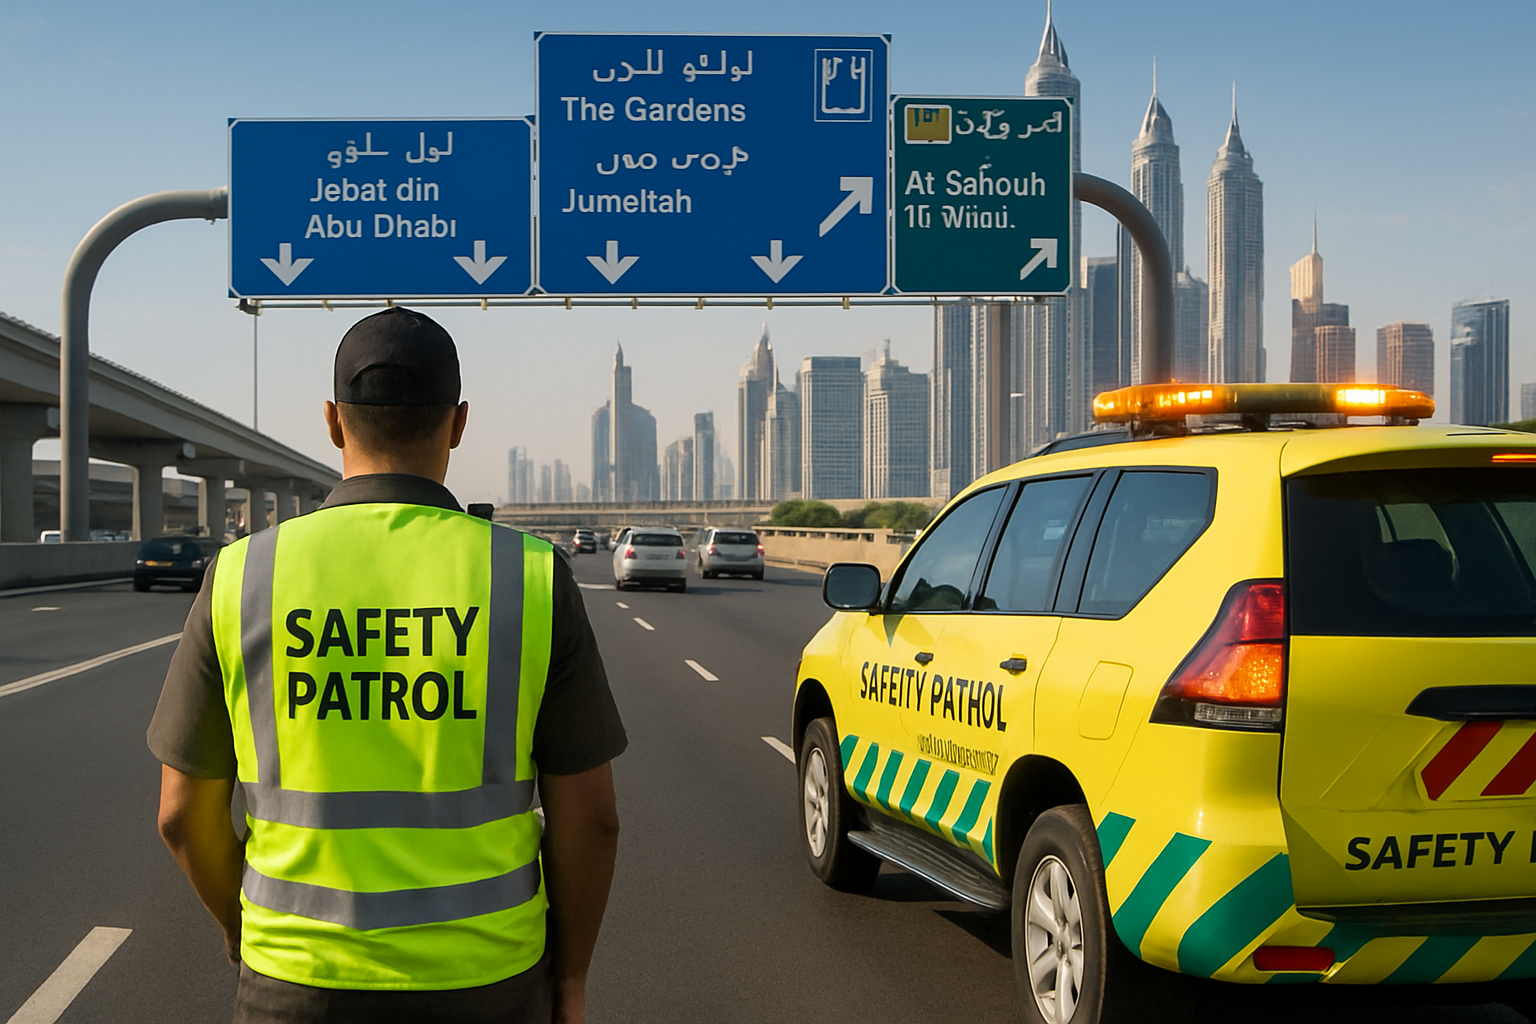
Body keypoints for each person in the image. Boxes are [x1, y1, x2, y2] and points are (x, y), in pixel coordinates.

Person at [147, 307, 626, 1023]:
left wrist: (246, 933)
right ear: (459, 423)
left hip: (294, 981)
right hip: (488, 979)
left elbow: (182, 814)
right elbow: (592, 822)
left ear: (334, 422)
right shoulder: (528, 576)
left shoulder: (243, 574)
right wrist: (570, 979)